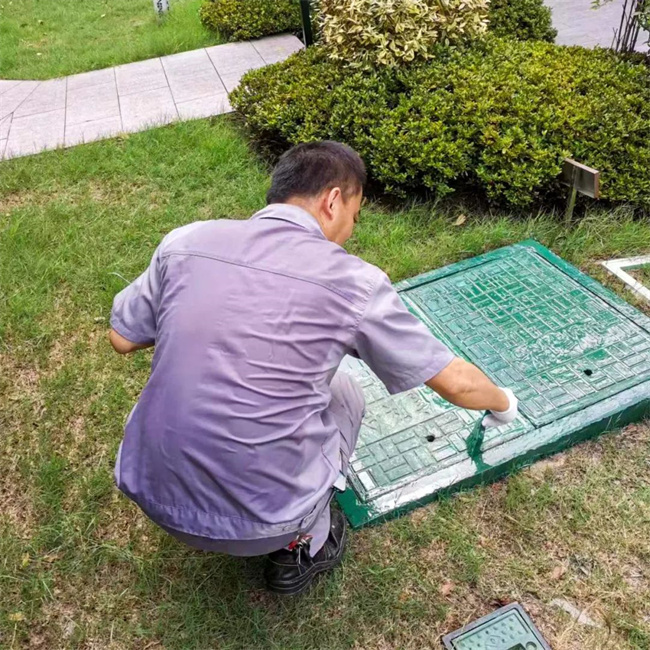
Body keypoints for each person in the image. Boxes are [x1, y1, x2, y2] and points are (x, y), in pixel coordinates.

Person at [109, 141, 518, 596]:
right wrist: (504, 404)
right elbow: (456, 383)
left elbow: (122, 338)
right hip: (263, 523)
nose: (350, 232)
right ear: (333, 201)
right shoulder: (354, 282)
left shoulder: (185, 241)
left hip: (148, 489)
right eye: (355, 217)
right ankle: (303, 545)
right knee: (345, 392)